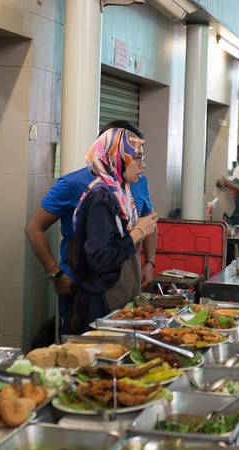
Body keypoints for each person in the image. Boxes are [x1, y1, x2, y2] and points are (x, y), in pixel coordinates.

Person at [25, 120, 156, 335]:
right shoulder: (92, 191)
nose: (142, 164)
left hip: (122, 286)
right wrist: (56, 274)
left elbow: (148, 220)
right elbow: (35, 229)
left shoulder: (133, 182)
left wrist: (148, 262)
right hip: (88, 287)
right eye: (136, 156)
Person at [72, 128, 158, 332]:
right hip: (101, 301)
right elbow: (101, 257)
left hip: (120, 297)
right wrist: (139, 232)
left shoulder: (120, 191)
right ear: (116, 158)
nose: (142, 164)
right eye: (136, 158)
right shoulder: (101, 196)